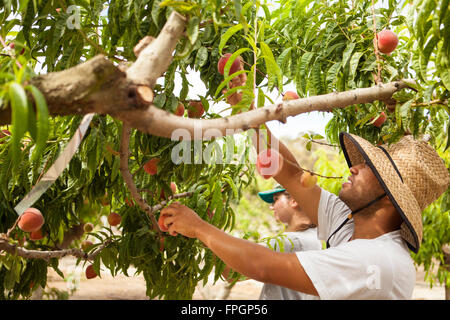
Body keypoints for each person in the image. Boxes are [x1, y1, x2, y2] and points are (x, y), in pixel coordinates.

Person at [160, 130, 450, 299]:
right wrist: (251, 116)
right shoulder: (353, 227)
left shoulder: (375, 259)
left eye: (370, 169)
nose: (354, 167)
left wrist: (199, 227)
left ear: (389, 196)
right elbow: (292, 174)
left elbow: (263, 266)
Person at [257, 184, 321, 300]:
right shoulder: (316, 236)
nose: (271, 207)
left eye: (276, 199)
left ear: (294, 201)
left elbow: (230, 273)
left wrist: (213, 226)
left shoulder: (289, 242)